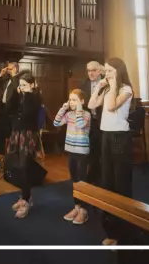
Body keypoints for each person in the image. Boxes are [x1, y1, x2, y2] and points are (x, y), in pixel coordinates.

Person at [88, 57, 133, 249]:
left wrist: (113, 84)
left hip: (120, 139)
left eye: (110, 71)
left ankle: (124, 234)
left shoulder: (126, 90)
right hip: (106, 137)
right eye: (105, 71)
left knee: (120, 184)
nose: (107, 74)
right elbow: (91, 105)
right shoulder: (107, 86)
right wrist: (100, 87)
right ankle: (111, 232)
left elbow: (112, 106)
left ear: (119, 71)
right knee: (106, 183)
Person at [53, 89, 91, 225]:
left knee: (82, 181)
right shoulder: (68, 114)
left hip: (82, 152)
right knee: (74, 181)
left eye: (74, 100)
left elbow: (81, 125)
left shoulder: (86, 114)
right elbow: (56, 123)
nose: (71, 102)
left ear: (82, 102)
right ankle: (77, 207)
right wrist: (63, 108)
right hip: (71, 151)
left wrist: (79, 110)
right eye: (70, 100)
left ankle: (84, 210)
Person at [9, 73, 42, 219]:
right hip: (17, 133)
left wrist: (27, 93)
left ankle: (27, 200)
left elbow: (29, 112)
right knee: (18, 166)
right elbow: (9, 109)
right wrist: (16, 95)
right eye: (21, 85)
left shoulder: (35, 97)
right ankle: (24, 197)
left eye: (25, 85)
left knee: (25, 166)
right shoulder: (21, 96)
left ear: (33, 84)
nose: (22, 88)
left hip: (28, 135)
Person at [80, 61, 104, 185]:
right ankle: (92, 178)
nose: (90, 73)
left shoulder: (106, 83)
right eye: (88, 70)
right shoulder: (84, 83)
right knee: (91, 150)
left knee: (101, 151)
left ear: (99, 71)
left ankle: (100, 179)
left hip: (104, 121)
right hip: (90, 122)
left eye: (93, 70)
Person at [0, 62, 20, 154]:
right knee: (0, 135)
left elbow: (15, 89)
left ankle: (10, 158)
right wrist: (1, 74)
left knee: (12, 136)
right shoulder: (7, 78)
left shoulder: (19, 78)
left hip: (12, 112)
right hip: (3, 109)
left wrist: (13, 75)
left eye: (9, 69)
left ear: (15, 69)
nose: (7, 70)